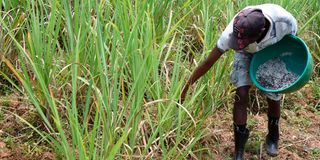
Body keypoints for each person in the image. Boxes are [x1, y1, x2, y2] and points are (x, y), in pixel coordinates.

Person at [180, 4, 297, 160]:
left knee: (273, 93)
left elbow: (292, 46)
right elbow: (208, 62)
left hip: (271, 49)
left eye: (244, 40)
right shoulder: (233, 33)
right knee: (241, 93)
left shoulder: (284, 22)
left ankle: (273, 136)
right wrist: (186, 87)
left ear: (261, 32)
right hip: (245, 52)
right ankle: (239, 149)